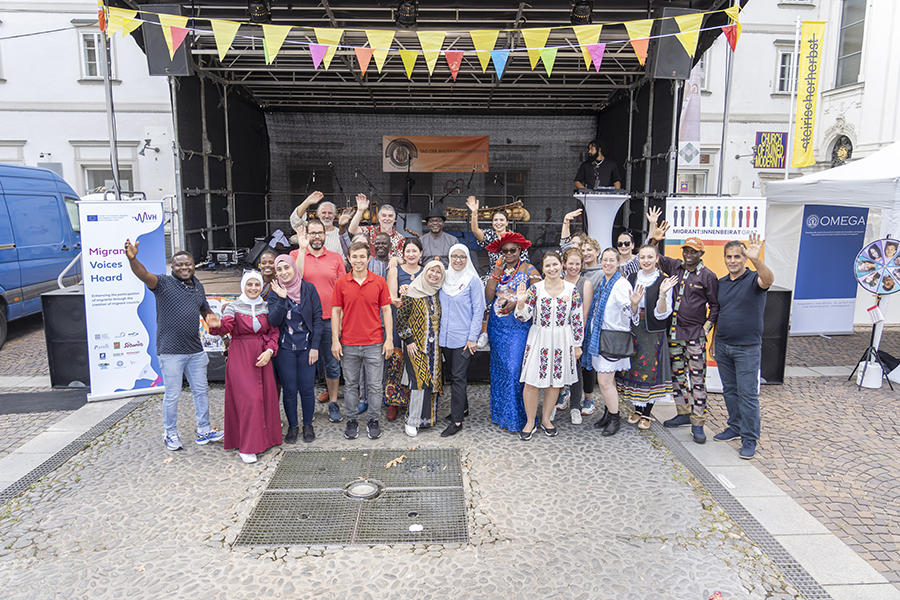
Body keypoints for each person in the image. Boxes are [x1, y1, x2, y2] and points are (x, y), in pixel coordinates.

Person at [124, 241, 224, 451]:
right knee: (172, 395)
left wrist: (211, 317)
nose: (184, 267)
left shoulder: (198, 286)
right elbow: (143, 274)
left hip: (195, 350)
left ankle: (204, 430)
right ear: (172, 267)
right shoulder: (162, 283)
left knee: (201, 391)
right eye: (179, 265)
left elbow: (204, 309)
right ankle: (170, 433)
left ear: (194, 265)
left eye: (188, 264)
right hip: (170, 351)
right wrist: (133, 259)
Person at [651, 227, 720, 444]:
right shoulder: (674, 266)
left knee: (697, 379)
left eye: (693, 251)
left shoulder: (708, 276)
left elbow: (716, 306)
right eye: (686, 250)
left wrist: (705, 330)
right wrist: (655, 239)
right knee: (678, 376)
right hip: (674, 333)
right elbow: (654, 257)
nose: (688, 254)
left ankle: (698, 422)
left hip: (695, 336)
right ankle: (683, 413)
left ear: (701, 254)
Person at [711, 233, 774, 460]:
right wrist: (714, 341)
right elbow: (720, 313)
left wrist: (757, 259)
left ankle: (749, 438)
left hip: (747, 347)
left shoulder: (754, 279)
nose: (733, 260)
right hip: (724, 345)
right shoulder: (722, 283)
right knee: (730, 390)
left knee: (748, 394)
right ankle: (735, 426)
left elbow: (768, 280)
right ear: (725, 258)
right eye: (729, 257)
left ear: (744, 259)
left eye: (738, 256)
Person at [208, 271, 281, 463]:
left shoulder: (266, 306)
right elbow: (226, 326)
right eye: (249, 285)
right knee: (250, 400)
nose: (253, 288)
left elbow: (273, 332)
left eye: (257, 285)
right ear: (243, 286)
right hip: (241, 357)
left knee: (265, 397)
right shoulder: (233, 307)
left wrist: (269, 351)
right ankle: (247, 446)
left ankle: (266, 439)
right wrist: (216, 325)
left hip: (262, 357)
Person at [514, 251, 584, 440]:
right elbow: (523, 317)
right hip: (539, 336)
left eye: (555, 264)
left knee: (555, 381)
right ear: (543, 269)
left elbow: (577, 318)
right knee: (531, 381)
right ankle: (530, 421)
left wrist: (577, 344)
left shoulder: (572, 289)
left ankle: (546, 419)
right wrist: (520, 304)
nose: (552, 269)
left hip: (562, 338)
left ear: (561, 265)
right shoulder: (535, 289)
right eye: (547, 266)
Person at [331, 241, 393, 440]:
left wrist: (389, 338)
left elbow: (386, 311)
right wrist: (335, 339)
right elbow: (336, 312)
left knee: (375, 386)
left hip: (374, 342)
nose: (358, 260)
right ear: (349, 258)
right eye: (354, 256)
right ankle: (351, 421)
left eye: (362, 257)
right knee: (350, 385)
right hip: (348, 343)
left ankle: (373, 421)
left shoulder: (379, 282)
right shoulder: (341, 282)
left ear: (368, 259)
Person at [485, 231, 542, 432]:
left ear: (520, 250)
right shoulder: (499, 269)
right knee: (499, 370)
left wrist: (517, 301)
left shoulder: (530, 269)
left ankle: (520, 417)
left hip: (518, 327)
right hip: (497, 326)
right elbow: (489, 296)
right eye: (505, 251)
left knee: (514, 370)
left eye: (512, 250)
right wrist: (495, 273)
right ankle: (501, 415)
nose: (508, 254)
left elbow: (538, 296)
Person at [618, 245, 677, 429]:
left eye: (650, 257)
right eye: (643, 257)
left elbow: (662, 314)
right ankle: (637, 409)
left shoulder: (663, 281)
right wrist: (634, 305)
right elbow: (630, 307)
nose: (646, 261)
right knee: (634, 369)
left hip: (653, 332)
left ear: (657, 258)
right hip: (635, 328)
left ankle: (647, 413)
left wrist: (662, 295)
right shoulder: (632, 278)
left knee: (650, 371)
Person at [269, 255, 324, 444]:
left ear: (293, 267)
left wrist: (315, 347)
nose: (284, 272)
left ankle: (307, 424)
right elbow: (273, 321)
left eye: (287, 268)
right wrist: (282, 300)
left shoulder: (308, 288)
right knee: (290, 390)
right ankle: (293, 426)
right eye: (280, 270)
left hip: (307, 346)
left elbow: (317, 318)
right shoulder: (275, 290)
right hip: (285, 349)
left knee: (307, 389)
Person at [583, 248, 638, 436]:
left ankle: (615, 419)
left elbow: (630, 315)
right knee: (609, 382)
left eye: (611, 260)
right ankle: (608, 413)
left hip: (611, 338)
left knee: (605, 382)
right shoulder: (606, 282)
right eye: (604, 260)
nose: (607, 263)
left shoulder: (621, 284)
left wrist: (634, 304)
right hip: (601, 338)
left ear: (618, 263)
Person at [298, 218, 347, 423]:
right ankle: (306, 406)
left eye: (320, 232)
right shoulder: (296, 255)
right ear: (307, 234)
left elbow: (344, 290)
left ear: (325, 234)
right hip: (302, 320)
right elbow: (296, 278)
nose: (317, 236)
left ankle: (334, 403)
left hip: (329, 319)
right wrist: (301, 249)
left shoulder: (336, 258)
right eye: (313, 233)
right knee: (304, 364)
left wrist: (342, 320)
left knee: (332, 364)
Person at [438, 244, 486, 437]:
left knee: (458, 377)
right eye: (455, 256)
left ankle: (456, 421)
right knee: (451, 374)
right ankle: (463, 409)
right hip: (444, 337)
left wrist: (472, 338)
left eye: (462, 257)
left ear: (468, 259)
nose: (458, 260)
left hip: (464, 339)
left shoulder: (473, 281)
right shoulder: (443, 278)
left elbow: (478, 311)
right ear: (449, 257)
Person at [397, 260, 446, 437]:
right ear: (424, 272)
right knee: (420, 381)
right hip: (415, 347)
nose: (434, 275)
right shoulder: (411, 292)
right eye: (430, 271)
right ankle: (412, 421)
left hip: (434, 348)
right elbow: (401, 319)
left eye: (438, 272)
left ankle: (428, 419)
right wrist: (409, 341)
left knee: (433, 381)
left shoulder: (440, 292)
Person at [383, 238, 424, 421]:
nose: (411, 255)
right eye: (408, 251)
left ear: (421, 253)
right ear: (403, 254)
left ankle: (414, 399)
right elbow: (391, 297)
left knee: (415, 361)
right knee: (396, 361)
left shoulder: (425, 272)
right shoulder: (395, 270)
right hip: (398, 320)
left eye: (415, 251)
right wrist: (400, 297)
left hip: (420, 324)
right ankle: (394, 401)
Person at [555, 247, 593, 423]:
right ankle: (556, 401)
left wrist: (577, 339)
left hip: (575, 334)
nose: (574, 267)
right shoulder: (558, 281)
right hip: (556, 332)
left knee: (575, 370)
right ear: (564, 264)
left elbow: (584, 314)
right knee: (556, 369)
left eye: (577, 264)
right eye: (571, 263)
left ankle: (575, 407)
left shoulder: (584, 284)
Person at [577, 237, 604, 416]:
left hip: (591, 324)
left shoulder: (602, 272)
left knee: (588, 364)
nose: (586, 253)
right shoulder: (578, 270)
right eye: (583, 250)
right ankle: (567, 396)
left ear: (597, 252)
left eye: (589, 250)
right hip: (574, 322)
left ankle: (589, 398)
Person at [466, 195, 531, 268]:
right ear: (492, 222)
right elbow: (475, 231)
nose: (498, 222)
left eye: (502, 220)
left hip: (513, 274)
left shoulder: (515, 238)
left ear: (507, 222)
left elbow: (525, 260)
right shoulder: (490, 235)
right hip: (494, 274)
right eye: (495, 220)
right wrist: (474, 212)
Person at [348, 194, 405, 258]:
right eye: (384, 216)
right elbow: (352, 230)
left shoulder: (400, 239)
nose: (387, 219)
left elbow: (402, 260)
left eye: (390, 216)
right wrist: (360, 210)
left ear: (394, 219)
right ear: (378, 218)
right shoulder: (371, 231)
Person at [289, 193, 345, 258]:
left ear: (334, 215)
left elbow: (344, 258)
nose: (327, 216)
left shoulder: (340, 234)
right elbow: (295, 221)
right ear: (318, 215)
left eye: (330, 213)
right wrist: (307, 202)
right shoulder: (310, 229)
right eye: (323, 213)